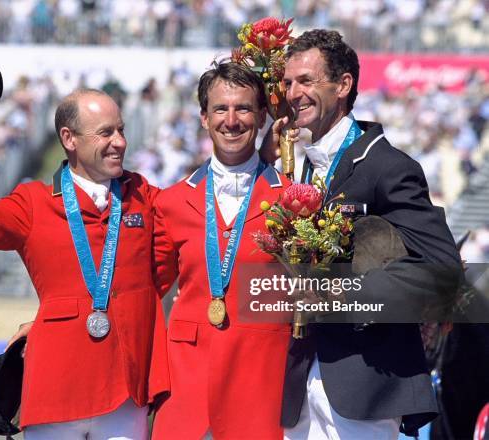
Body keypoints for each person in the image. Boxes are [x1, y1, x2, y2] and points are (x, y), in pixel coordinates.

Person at [0, 84, 168, 439]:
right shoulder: (33, 204)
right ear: (69, 138)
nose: (120, 142)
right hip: (54, 392)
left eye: (121, 130)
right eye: (106, 132)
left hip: (124, 392)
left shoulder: (145, 196)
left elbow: (166, 268)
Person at [261, 29, 462, 439]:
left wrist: (341, 294)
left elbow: (443, 271)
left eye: (306, 81)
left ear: (343, 85)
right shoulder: (304, 167)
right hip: (302, 382)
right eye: (287, 83)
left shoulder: (387, 165)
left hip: (365, 384)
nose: (293, 92)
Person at [150, 61, 293, 439]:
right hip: (187, 386)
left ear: (262, 116)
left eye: (244, 108)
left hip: (261, 384)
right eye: (220, 109)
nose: (232, 120)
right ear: (203, 117)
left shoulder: (292, 202)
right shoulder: (172, 202)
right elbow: (145, 289)